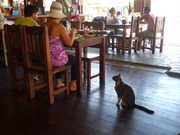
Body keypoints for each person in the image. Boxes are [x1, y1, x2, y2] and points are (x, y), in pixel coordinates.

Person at [45, 1, 77, 91]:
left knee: (59, 54)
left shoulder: (43, 26)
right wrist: (73, 33)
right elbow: (70, 43)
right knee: (75, 58)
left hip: (43, 58)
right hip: (54, 60)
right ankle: (73, 84)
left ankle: (58, 81)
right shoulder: (59, 27)